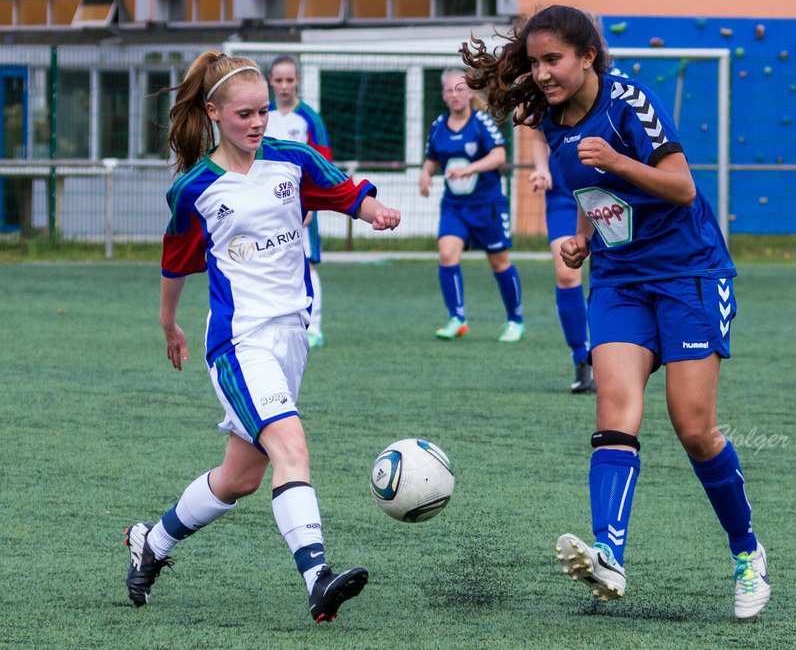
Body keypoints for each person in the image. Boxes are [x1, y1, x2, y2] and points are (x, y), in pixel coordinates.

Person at [461, 6, 770, 621]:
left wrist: (620, 160)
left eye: (554, 61)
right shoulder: (550, 120)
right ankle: (609, 554)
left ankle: (747, 553)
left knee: (694, 429)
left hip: (689, 276)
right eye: (535, 62)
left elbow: (682, 187)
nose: (543, 73)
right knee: (615, 411)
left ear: (587, 58)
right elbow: (587, 187)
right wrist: (581, 237)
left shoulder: (632, 103)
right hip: (621, 280)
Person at [124, 51, 401, 623]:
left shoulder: (293, 161)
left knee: (239, 478)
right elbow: (175, 263)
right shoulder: (194, 188)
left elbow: (345, 193)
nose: (256, 123)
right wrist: (168, 323)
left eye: (263, 113)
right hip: (238, 343)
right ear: (214, 114)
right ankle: (317, 578)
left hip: (290, 338)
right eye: (245, 113)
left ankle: (150, 543)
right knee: (291, 447)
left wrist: (375, 211)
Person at [418, 67, 524, 343]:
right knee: (446, 253)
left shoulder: (481, 122)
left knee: (499, 262)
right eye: (449, 90)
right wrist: (425, 175)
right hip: (454, 206)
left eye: (459, 89)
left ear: (469, 93)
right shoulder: (438, 126)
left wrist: (471, 168)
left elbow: (499, 155)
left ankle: (515, 320)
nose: (454, 94)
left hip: (486, 205)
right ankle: (457, 318)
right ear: (443, 94)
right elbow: (432, 158)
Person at [265, 54, 330, 349]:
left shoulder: (309, 119)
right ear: (270, 81)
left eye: (289, 80)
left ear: (298, 81)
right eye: (278, 80)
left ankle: (314, 327)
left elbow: (323, 165)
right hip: (266, 206)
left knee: (306, 264)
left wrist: (312, 206)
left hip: (301, 206)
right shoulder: (262, 115)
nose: (284, 86)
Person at [526, 126, 594, 393]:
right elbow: (538, 134)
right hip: (564, 196)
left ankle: (606, 357)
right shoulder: (545, 90)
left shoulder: (616, 87)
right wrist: (541, 168)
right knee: (566, 274)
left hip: (607, 189)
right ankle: (581, 358)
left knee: (610, 275)